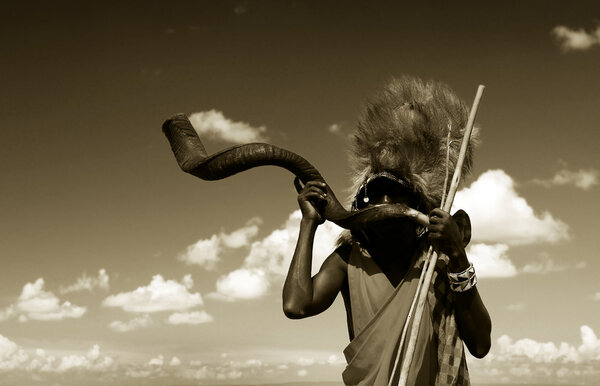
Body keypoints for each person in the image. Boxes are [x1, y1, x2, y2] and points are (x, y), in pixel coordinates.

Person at [282, 76, 491, 385]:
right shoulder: (349, 259)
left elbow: (480, 344)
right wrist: (309, 223)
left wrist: (457, 255)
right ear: (360, 208)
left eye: (395, 194)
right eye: (375, 194)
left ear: (417, 205)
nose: (385, 204)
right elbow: (296, 305)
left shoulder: (436, 261)